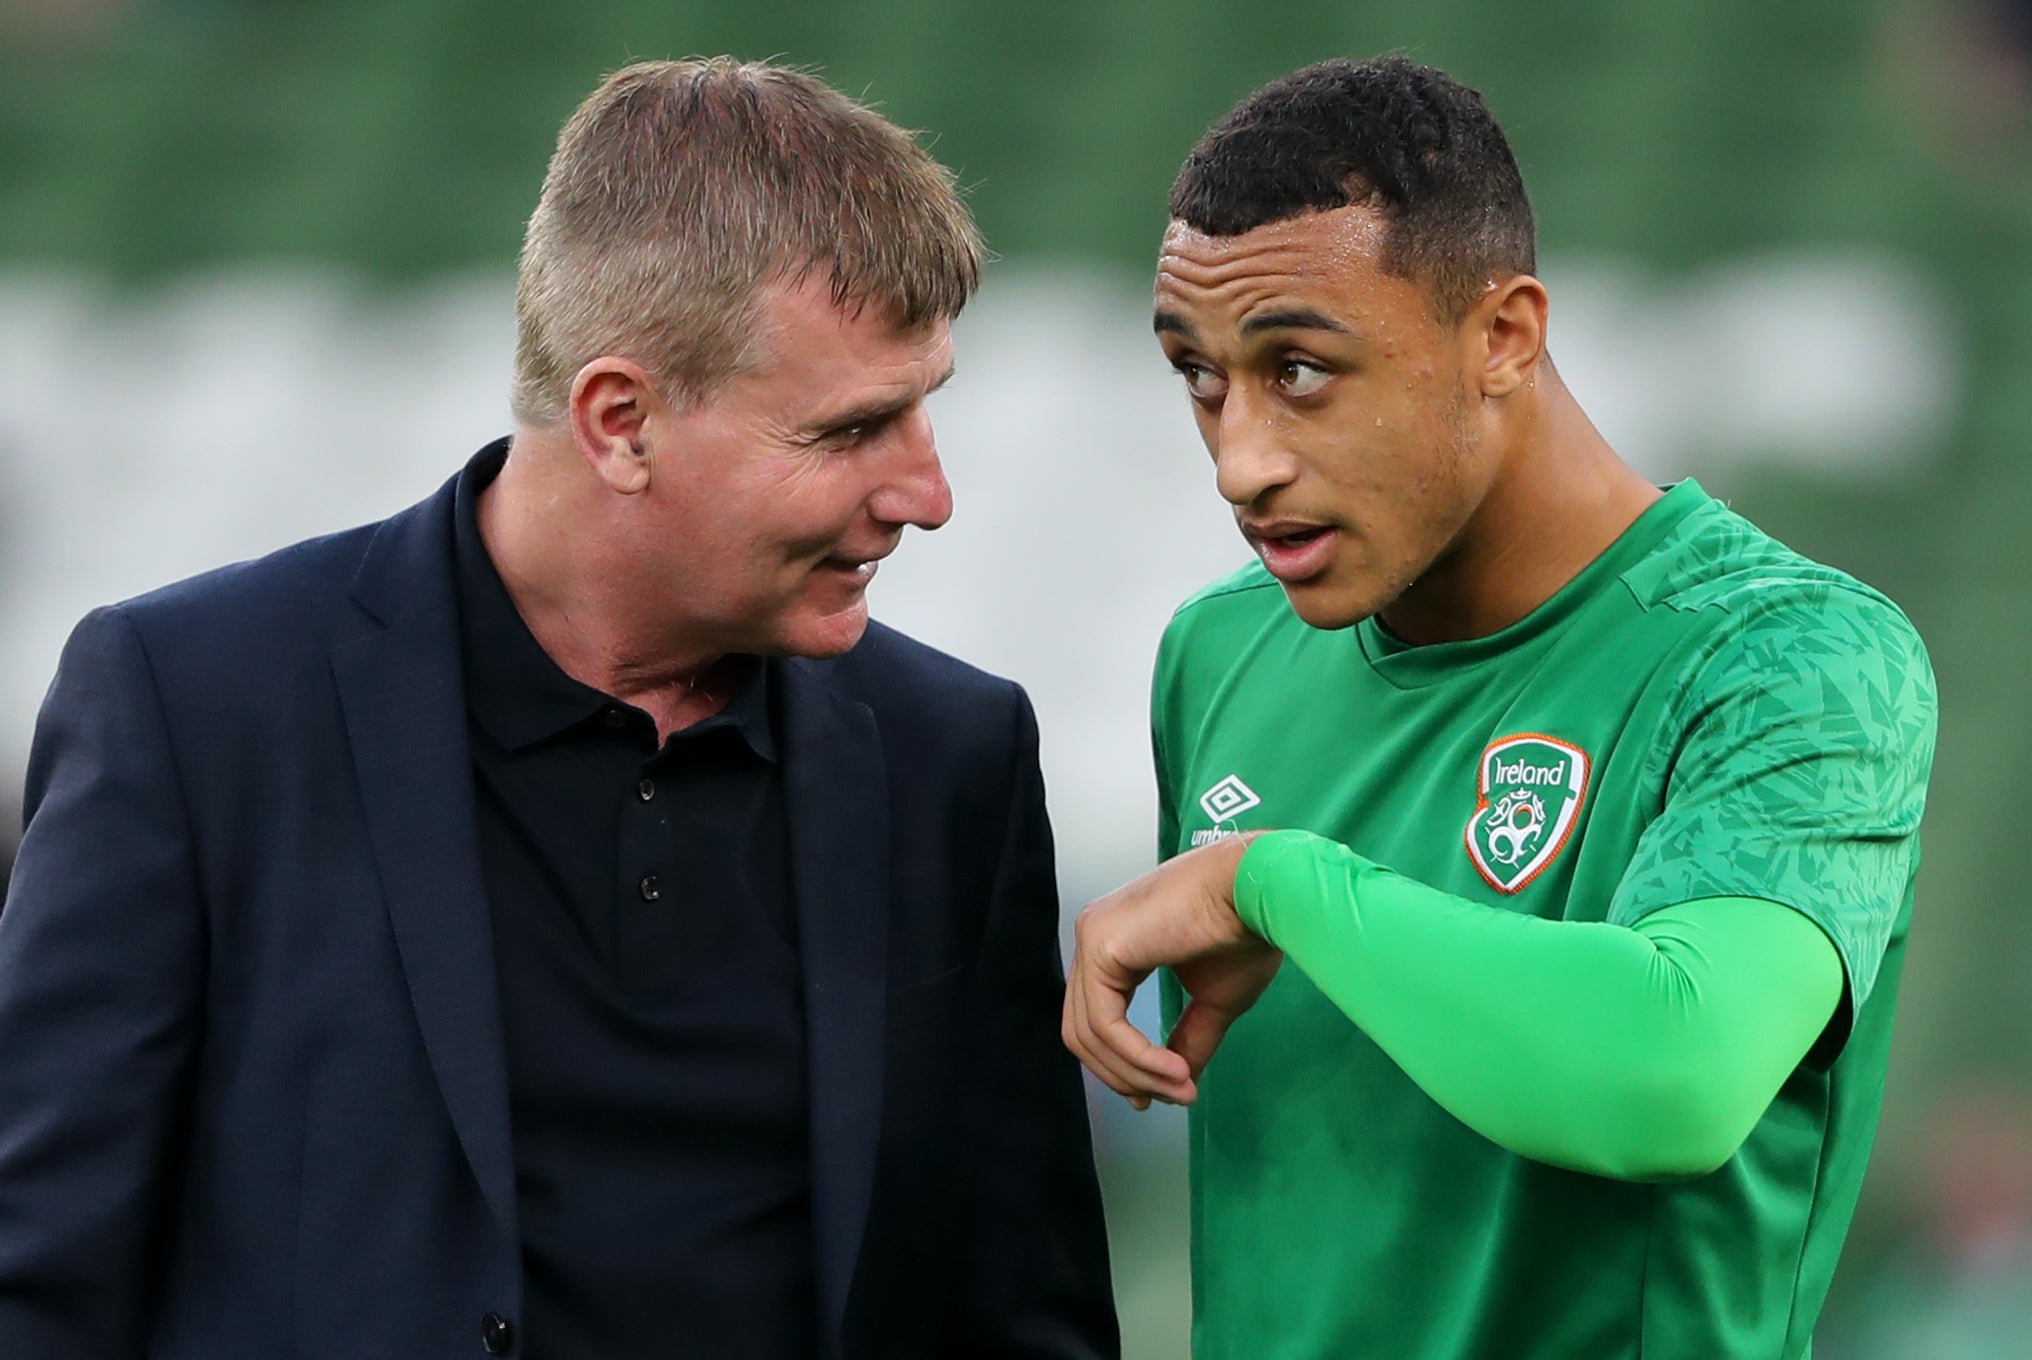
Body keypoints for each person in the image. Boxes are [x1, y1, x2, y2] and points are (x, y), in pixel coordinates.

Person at [0, 59, 1116, 1360]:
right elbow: (39, 1278)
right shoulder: (197, 709)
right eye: (850, 431)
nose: (927, 493)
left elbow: (1022, 1314)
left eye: (926, 408)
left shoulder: (953, 757)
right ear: (619, 421)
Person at [1061, 55, 1937, 1360]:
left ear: (1504, 338)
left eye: (1300, 369)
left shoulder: (1791, 656)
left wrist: (1280, 886)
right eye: (1201, 378)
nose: (1241, 458)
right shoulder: (1221, 651)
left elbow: (1672, 1080)